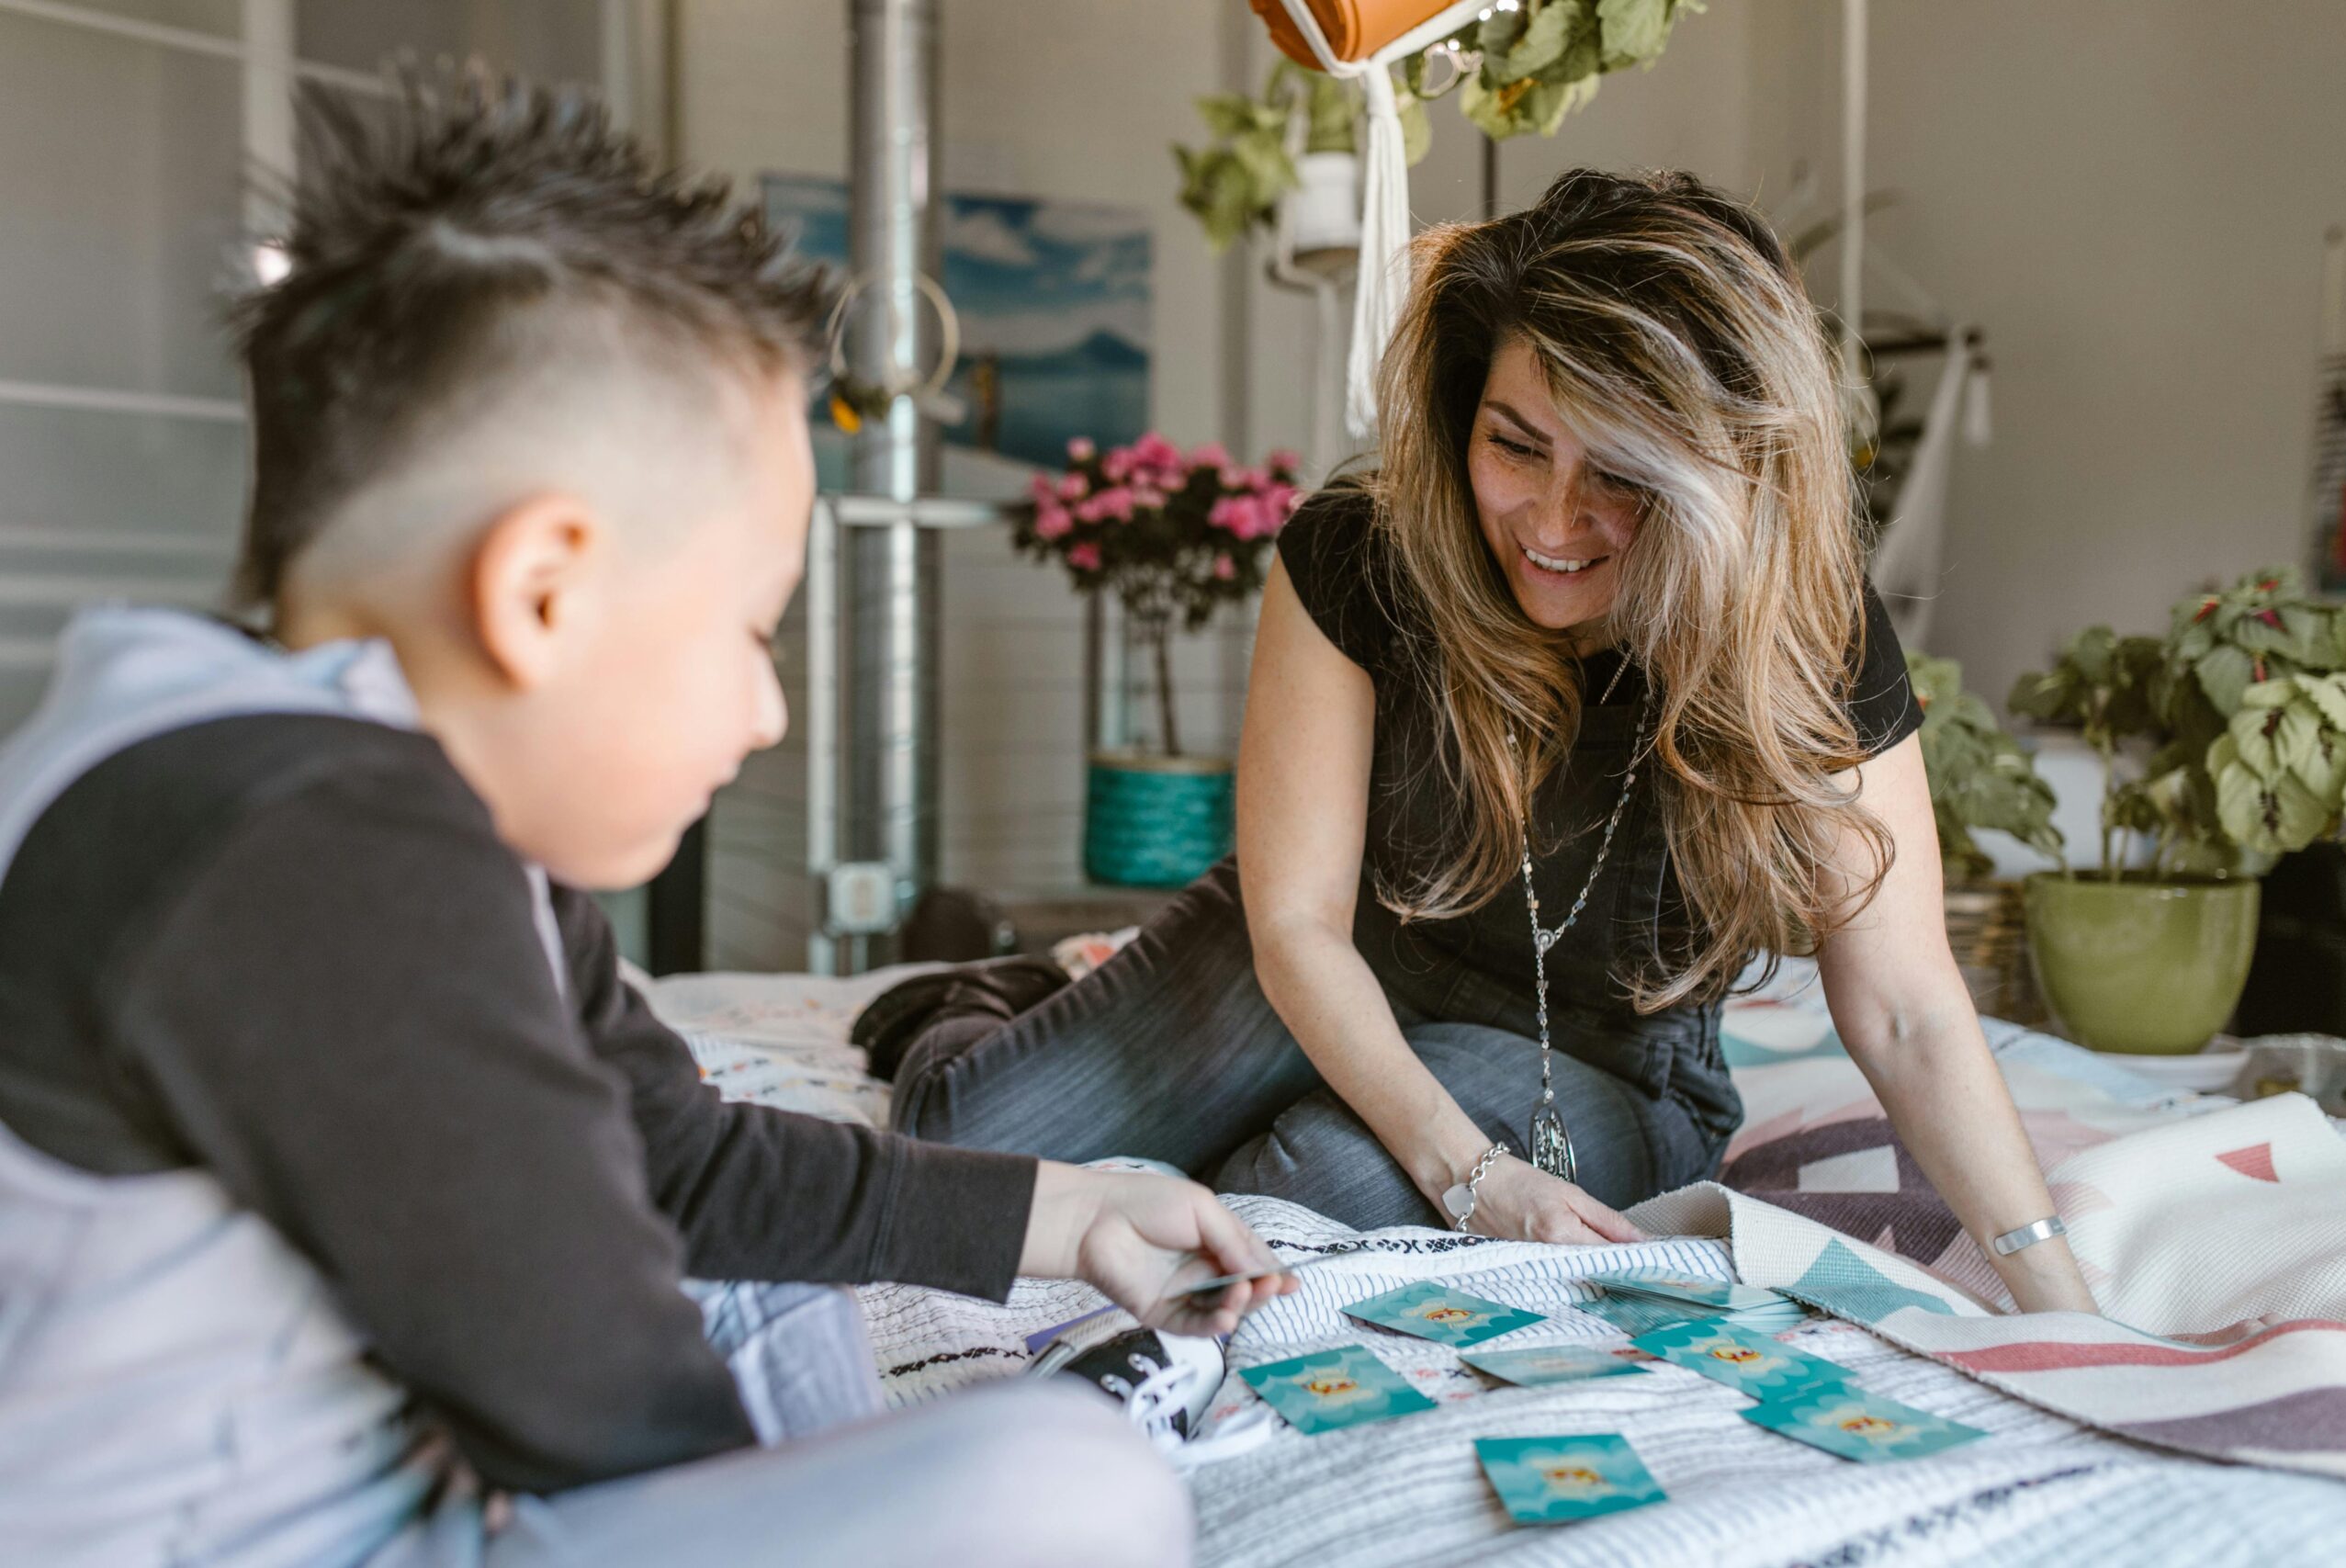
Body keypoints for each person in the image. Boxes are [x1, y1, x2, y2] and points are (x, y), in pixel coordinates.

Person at [0, 72, 1289, 1568]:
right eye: (752, 631)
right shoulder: (304, 849)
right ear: (542, 593)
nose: (769, 714)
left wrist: (1058, 1214)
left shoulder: (373, 793)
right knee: (1067, 1484)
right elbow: (610, 1408)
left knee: (769, 1260)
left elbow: (672, 1163)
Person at [885, 169, 2097, 1316]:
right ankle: (1027, 989)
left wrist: (2059, 1300)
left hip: (1601, 1060)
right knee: (950, 1148)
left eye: (1621, 475)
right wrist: (1468, 1174)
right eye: (1516, 444)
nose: (1554, 522)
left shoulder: (1807, 626)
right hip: (1336, 950)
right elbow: (1298, 925)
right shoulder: (1359, 552)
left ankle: (1306, 1086)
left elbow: (1905, 1011)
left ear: (1716, 479)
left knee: (1291, 1196)